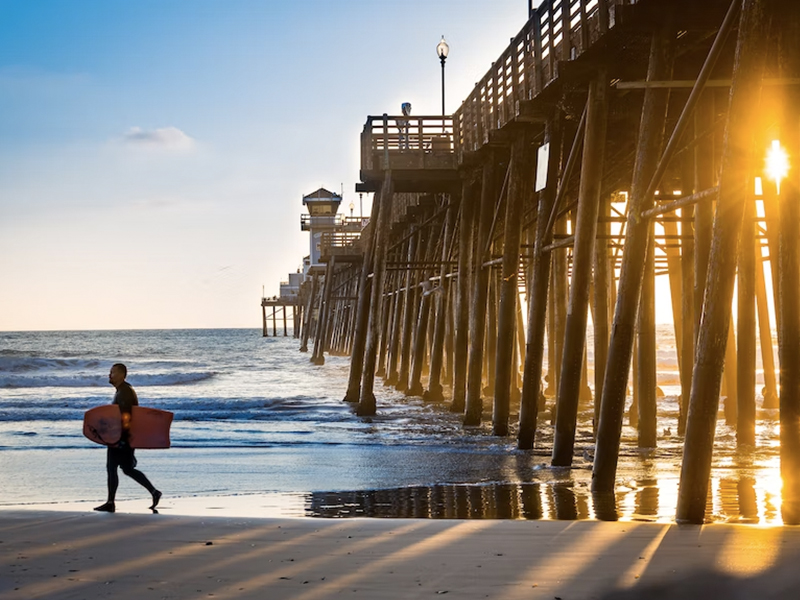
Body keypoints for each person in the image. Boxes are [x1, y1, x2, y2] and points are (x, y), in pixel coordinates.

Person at [94, 363, 162, 513]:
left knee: (113, 468)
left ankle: (110, 502)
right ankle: (154, 492)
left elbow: (126, 417)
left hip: (121, 438)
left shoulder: (124, 392)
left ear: (121, 375)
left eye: (112, 372)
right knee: (127, 469)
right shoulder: (122, 390)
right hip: (123, 437)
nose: (109, 375)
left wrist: (122, 440)